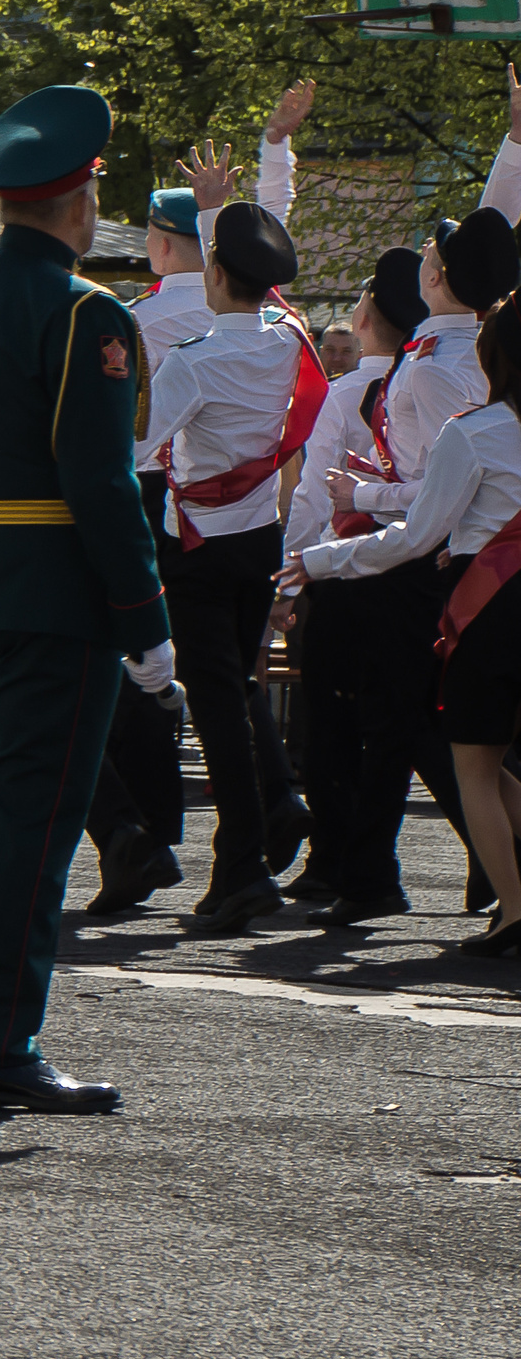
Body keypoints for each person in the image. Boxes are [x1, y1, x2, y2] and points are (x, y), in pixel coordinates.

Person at [0, 81, 170, 1114]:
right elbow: (99, 483)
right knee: (32, 823)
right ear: (78, 198)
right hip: (52, 604)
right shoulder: (83, 312)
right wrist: (143, 622)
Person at [301, 178, 521, 926]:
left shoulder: (430, 368)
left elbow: (436, 493)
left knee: (415, 728)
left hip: (452, 572)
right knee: (435, 731)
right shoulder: (447, 350)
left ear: (435, 279)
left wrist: (361, 499)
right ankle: (465, 877)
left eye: (431, 255)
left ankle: (379, 876)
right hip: (463, 564)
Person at [132, 195, 325, 934]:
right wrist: (219, 214)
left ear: (212, 271)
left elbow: (139, 453)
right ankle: (258, 837)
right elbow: (254, 291)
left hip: (201, 547)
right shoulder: (286, 341)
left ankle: (241, 863)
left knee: (217, 711)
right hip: (256, 539)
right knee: (237, 693)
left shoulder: (193, 361)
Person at [272, 248, 423, 903]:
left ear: (364, 315)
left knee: (330, 725)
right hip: (412, 567)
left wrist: (291, 572)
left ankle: (334, 858)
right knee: (398, 723)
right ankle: (376, 863)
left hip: (342, 569)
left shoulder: (346, 391)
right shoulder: (438, 374)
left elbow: (310, 492)